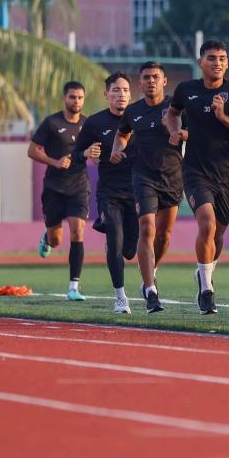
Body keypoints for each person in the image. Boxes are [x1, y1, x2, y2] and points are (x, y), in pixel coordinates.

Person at [165, 40, 229, 315]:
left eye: (222, 58)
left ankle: (203, 271)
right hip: (194, 170)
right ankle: (206, 290)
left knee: (218, 235)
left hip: (227, 173)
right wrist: (173, 130)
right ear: (200, 62)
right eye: (211, 58)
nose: (217, 62)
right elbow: (172, 114)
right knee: (206, 224)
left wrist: (222, 116)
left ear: (227, 63)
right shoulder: (186, 90)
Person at [113, 62, 183, 313]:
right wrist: (117, 149)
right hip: (143, 177)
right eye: (146, 77)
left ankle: (150, 271)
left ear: (164, 81)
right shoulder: (133, 111)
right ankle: (150, 290)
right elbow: (122, 134)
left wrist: (180, 133)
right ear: (139, 83)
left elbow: (194, 131)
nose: (151, 81)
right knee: (147, 227)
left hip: (173, 177)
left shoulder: (176, 106)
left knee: (164, 235)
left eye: (156, 77)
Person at [75, 71, 138, 314]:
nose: (121, 95)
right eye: (116, 91)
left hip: (138, 190)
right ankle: (120, 298)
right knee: (114, 241)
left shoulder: (140, 118)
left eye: (125, 90)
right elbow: (76, 154)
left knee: (130, 251)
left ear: (130, 94)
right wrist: (85, 153)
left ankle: (121, 251)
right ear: (106, 95)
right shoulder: (94, 123)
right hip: (109, 191)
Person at [28, 81, 90, 302]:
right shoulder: (51, 122)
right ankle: (47, 237)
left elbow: (97, 147)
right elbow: (32, 150)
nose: (76, 101)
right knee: (56, 240)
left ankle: (73, 287)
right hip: (54, 187)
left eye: (80, 98)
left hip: (79, 186)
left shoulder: (87, 124)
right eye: (73, 97)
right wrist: (55, 162)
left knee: (78, 231)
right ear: (65, 98)